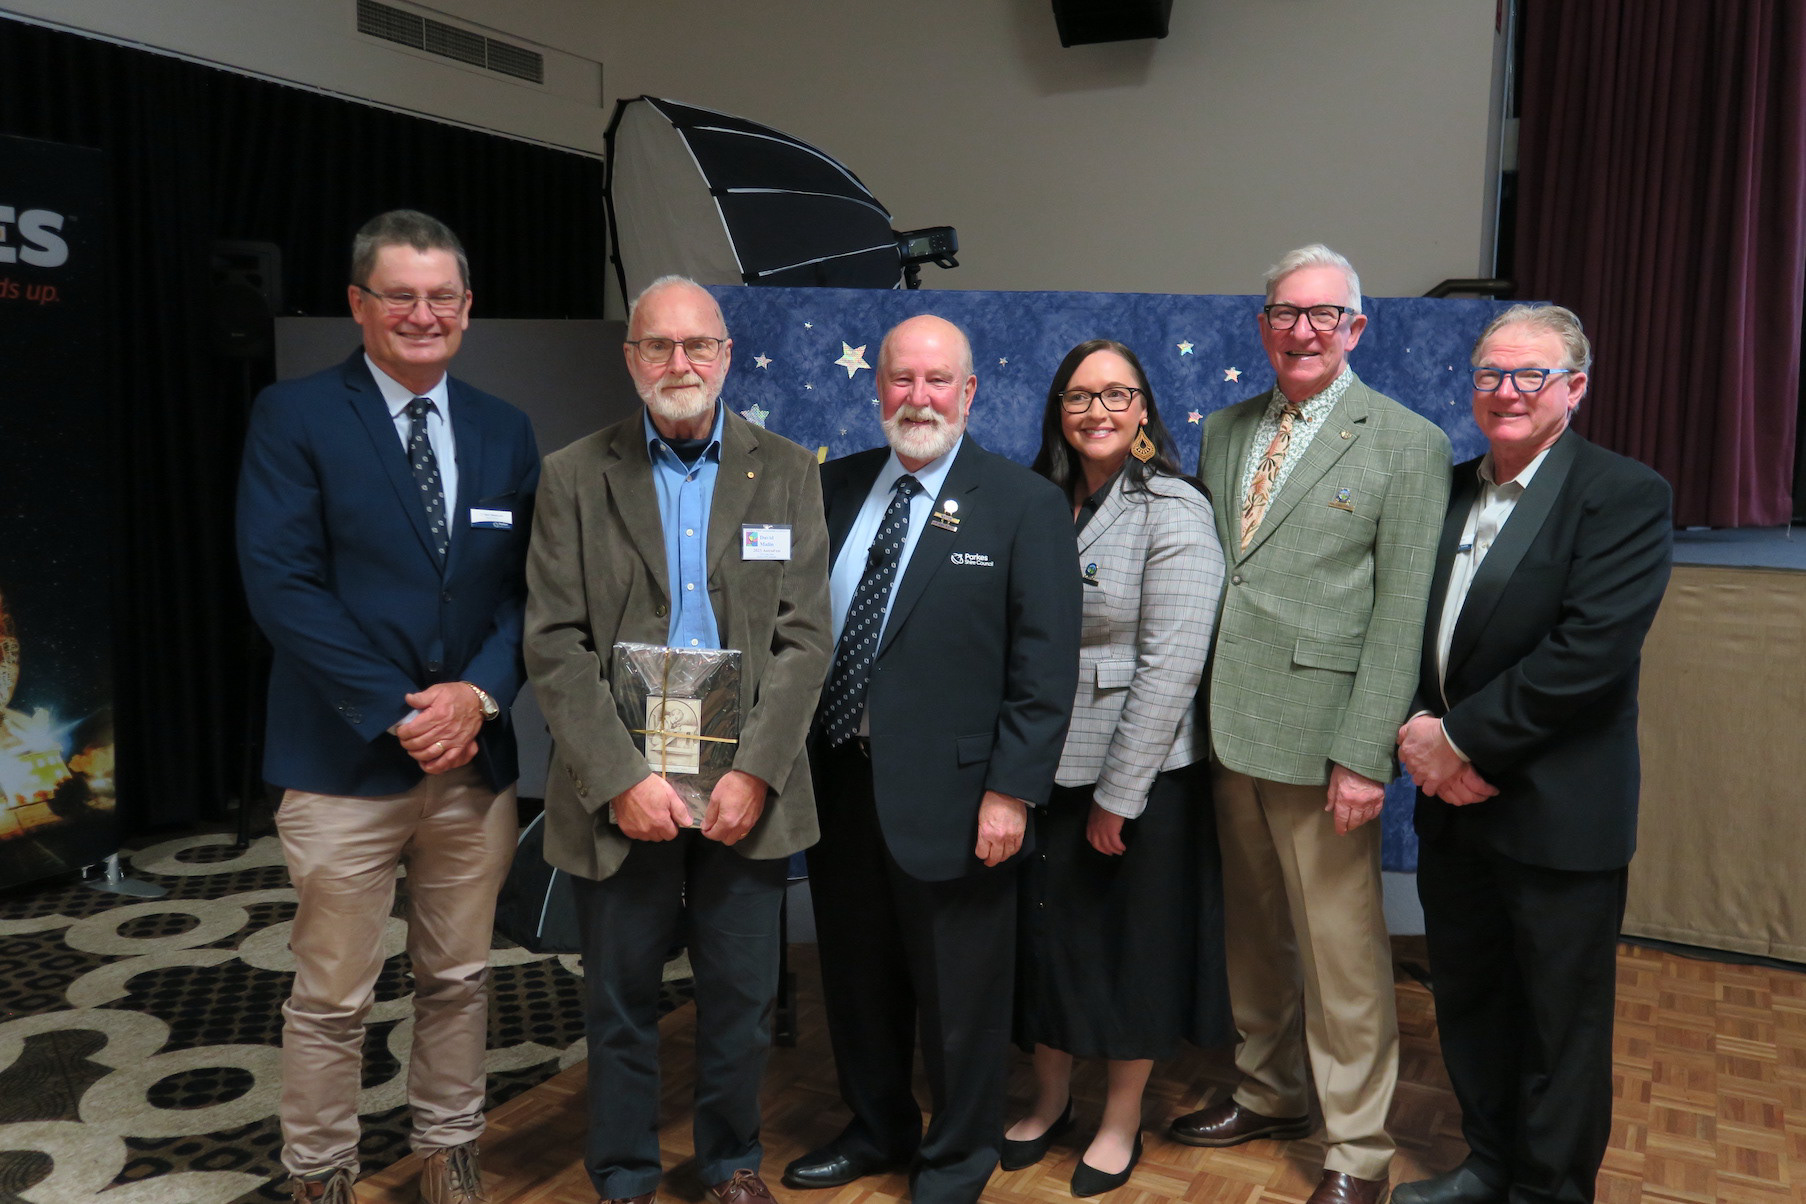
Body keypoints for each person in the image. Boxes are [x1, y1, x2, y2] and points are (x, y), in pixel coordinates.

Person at [237, 209, 540, 1204]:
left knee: (459, 979)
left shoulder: (504, 428)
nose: (423, 314)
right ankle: (321, 1173)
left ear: (467, 309)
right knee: (332, 993)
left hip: (473, 769)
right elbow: (282, 584)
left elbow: (523, 594)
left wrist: (480, 693)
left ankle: (450, 1156)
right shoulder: (295, 415)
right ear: (360, 305)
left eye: (441, 296)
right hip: (343, 761)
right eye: (400, 295)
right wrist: (397, 708)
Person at [524, 275, 832, 1204]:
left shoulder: (785, 469)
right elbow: (553, 642)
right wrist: (619, 777)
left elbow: (803, 639)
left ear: (728, 355)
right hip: (622, 785)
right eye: (658, 346)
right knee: (619, 1006)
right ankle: (621, 1173)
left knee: (741, 1000)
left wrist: (757, 773)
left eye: (699, 345)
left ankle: (732, 1163)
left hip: (746, 788)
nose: (680, 364)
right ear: (631, 359)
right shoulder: (575, 474)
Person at [1171, 244, 1451, 1204]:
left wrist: (1365, 752)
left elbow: (1403, 610)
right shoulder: (1225, 427)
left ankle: (1359, 1149)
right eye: (1286, 313)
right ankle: (1271, 1087)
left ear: (1355, 329)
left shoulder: (1405, 442)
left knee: (1340, 952)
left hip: (1325, 738)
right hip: (1228, 727)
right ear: (1263, 323)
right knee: (1255, 932)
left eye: (1324, 316)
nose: (1303, 330)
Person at [782, 314, 1082, 1204]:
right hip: (838, 779)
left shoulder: (1021, 502)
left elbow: (1044, 666)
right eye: (900, 379)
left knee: (960, 995)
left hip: (962, 795)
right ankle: (876, 1126)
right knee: (856, 975)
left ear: (970, 392)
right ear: (878, 388)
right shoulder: (830, 487)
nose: (918, 398)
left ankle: (957, 1157)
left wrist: (1012, 795)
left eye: (936, 380)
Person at [1393, 305, 1672, 1204]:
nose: (1506, 393)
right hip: (1453, 808)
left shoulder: (1623, 493)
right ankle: (1488, 1164)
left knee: (1560, 1025)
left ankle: (1549, 1190)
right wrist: (1422, 740)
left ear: (1575, 389)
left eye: (1530, 376)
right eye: (1489, 376)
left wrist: (1460, 743)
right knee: (1470, 1000)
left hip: (1556, 811)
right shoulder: (1443, 486)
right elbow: (1405, 624)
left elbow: (1588, 655)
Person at [1002, 340, 1233, 1197]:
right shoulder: (1038, 500)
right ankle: (1051, 1094)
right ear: (1057, 408)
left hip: (1138, 778)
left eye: (1115, 395)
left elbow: (1172, 666)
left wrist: (1119, 797)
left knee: (1127, 951)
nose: (1095, 411)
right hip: (1038, 764)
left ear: (1144, 412)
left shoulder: (1170, 507)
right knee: (1048, 940)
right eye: (1077, 395)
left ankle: (1120, 1116)